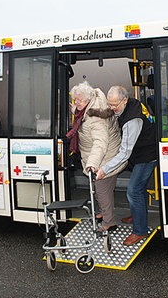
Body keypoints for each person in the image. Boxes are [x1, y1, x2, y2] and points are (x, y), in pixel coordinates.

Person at [96, 85, 157, 246]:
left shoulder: (132, 120)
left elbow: (124, 153)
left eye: (115, 105)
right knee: (139, 188)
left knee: (133, 191)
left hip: (147, 155)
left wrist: (105, 169)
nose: (112, 108)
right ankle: (138, 214)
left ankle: (140, 230)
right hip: (143, 151)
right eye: (110, 104)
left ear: (124, 100)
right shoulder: (131, 104)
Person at [66, 81, 127, 232]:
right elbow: (82, 114)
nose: (76, 102)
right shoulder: (89, 108)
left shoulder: (96, 119)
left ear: (88, 100)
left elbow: (100, 143)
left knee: (101, 190)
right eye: (75, 100)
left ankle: (109, 222)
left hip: (106, 157)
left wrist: (92, 165)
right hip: (101, 155)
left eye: (79, 100)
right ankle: (105, 214)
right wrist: (73, 108)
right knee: (100, 189)